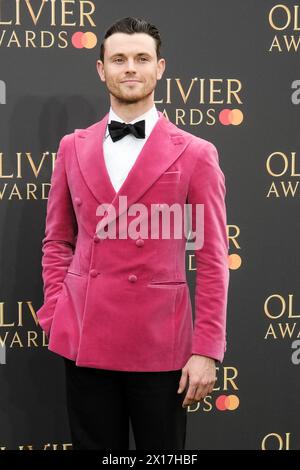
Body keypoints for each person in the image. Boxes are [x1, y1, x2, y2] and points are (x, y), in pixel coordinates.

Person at [36, 16, 230, 450]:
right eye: (119, 58)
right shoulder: (72, 147)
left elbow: (214, 257)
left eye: (142, 58)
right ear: (102, 69)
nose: (130, 68)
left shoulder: (196, 154)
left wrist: (207, 349)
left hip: (161, 347)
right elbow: (57, 240)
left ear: (160, 68)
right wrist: (56, 312)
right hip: (86, 339)